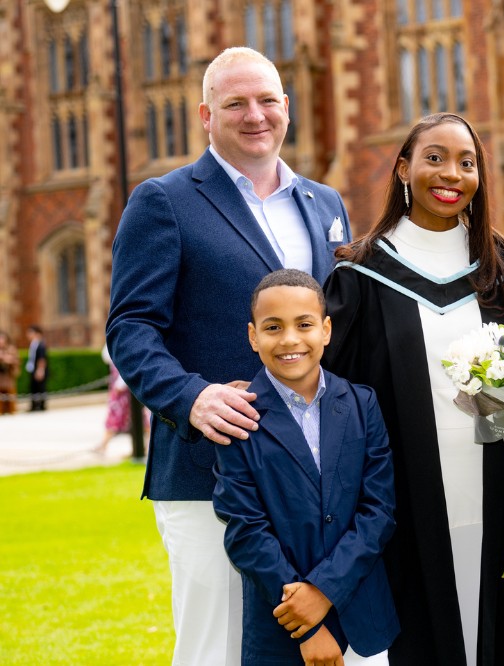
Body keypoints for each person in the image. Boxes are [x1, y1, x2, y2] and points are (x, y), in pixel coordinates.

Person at [106, 46, 351, 665]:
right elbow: (131, 326)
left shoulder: (326, 205)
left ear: (286, 108)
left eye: (267, 100)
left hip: (319, 475)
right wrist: (190, 397)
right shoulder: (163, 200)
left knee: (317, 646)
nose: (255, 115)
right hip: (208, 471)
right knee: (215, 647)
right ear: (205, 115)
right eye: (234, 103)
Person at [322, 112, 504, 666]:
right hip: (405, 504)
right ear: (402, 169)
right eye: (434, 158)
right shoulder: (360, 274)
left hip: (501, 498)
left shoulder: (503, 267)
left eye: (467, 162)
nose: (452, 174)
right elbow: (338, 408)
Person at [214, 269, 398, 666]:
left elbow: (378, 513)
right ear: (253, 336)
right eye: (273, 327)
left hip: (360, 617)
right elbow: (246, 531)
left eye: (304, 324)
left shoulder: (362, 405)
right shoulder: (238, 415)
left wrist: (323, 591)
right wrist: (309, 624)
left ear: (326, 330)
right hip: (282, 627)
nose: (290, 340)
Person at [94, 344, 149, 456]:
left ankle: (104, 445)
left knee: (134, 418)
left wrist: (120, 385)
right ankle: (105, 444)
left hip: (124, 391)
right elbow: (106, 356)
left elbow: (127, 364)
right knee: (137, 420)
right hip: (121, 389)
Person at [25, 325, 47, 411]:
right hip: (33, 369)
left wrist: (40, 370)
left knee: (40, 388)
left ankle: (41, 405)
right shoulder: (33, 344)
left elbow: (42, 358)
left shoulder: (40, 344)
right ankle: (34, 405)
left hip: (38, 370)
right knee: (33, 388)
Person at [0, 331, 19, 415]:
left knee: (10, 399)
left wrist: (7, 359)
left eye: (2, 338)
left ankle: (12, 412)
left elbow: (16, 361)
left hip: (8, 378)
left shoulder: (11, 349)